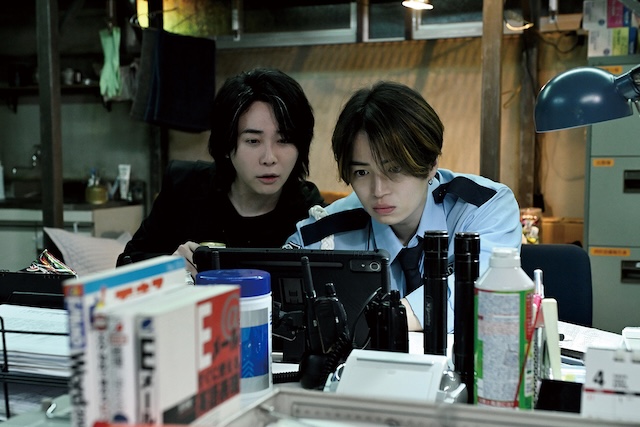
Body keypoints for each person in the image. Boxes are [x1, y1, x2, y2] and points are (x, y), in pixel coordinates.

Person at [284, 81, 522, 332]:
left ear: (431, 164)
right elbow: (284, 284)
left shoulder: (483, 207)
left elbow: (488, 295)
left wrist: (380, 319)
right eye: (362, 172)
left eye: (394, 169)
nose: (378, 190)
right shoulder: (330, 231)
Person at [117, 68, 325, 277]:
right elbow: (126, 265)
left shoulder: (311, 214)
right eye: (253, 141)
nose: (269, 158)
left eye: (284, 140)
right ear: (226, 145)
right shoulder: (185, 187)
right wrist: (170, 266)